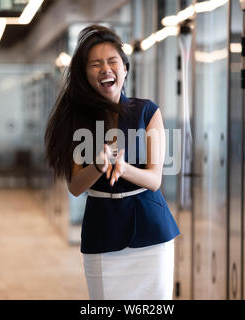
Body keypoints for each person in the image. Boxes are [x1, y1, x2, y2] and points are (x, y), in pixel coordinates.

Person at [44, 25, 180, 300]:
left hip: (151, 232)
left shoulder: (147, 111)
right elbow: (75, 186)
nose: (105, 69)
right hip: (102, 232)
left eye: (112, 61)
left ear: (125, 69)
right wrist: (98, 164)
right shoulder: (77, 120)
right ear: (85, 75)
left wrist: (125, 168)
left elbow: (154, 180)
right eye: (96, 64)